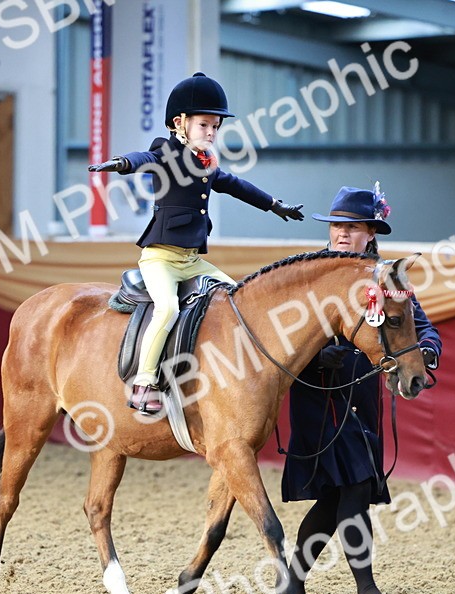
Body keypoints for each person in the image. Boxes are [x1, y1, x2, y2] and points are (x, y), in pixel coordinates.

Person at [88, 72, 305, 414]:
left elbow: (235, 185)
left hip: (192, 261)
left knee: (238, 300)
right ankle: (144, 384)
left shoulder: (205, 162)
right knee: (167, 309)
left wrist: (274, 204)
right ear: (179, 123)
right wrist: (123, 163)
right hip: (160, 258)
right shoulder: (166, 151)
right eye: (204, 125)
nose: (211, 133)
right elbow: (146, 159)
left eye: (215, 127)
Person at [282, 184, 441, 594]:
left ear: (371, 233)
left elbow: (421, 326)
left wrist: (427, 351)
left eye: (351, 228)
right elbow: (283, 337)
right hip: (318, 395)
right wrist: (317, 356)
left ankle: (292, 583)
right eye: (336, 226)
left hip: (362, 395)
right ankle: (367, 591)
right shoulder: (308, 274)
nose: (341, 234)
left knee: (339, 496)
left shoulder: (388, 278)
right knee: (352, 486)